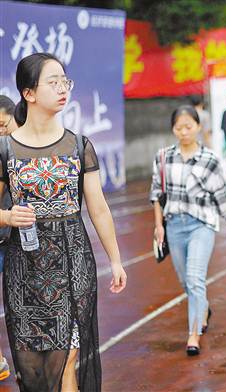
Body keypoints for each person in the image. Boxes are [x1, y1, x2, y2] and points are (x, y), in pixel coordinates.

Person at [0, 53, 127, 392]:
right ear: (28, 93)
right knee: (34, 369)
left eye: (64, 81)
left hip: (72, 260)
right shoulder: (5, 149)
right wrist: (8, 216)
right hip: (23, 267)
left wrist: (115, 259)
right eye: (52, 82)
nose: (62, 88)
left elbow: (98, 208)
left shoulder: (79, 146)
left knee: (69, 352)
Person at [151, 105, 226, 356]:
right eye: (178, 128)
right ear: (173, 130)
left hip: (201, 224)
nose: (184, 132)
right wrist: (159, 226)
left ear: (198, 127)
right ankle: (203, 308)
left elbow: (220, 194)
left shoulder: (209, 159)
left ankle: (194, 334)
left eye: (188, 127)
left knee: (194, 278)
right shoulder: (163, 157)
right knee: (185, 281)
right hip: (174, 227)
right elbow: (156, 194)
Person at [0, 95, 18, 383]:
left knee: (20, 304)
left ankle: (30, 363)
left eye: (3, 124)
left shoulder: (23, 151)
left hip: (18, 240)